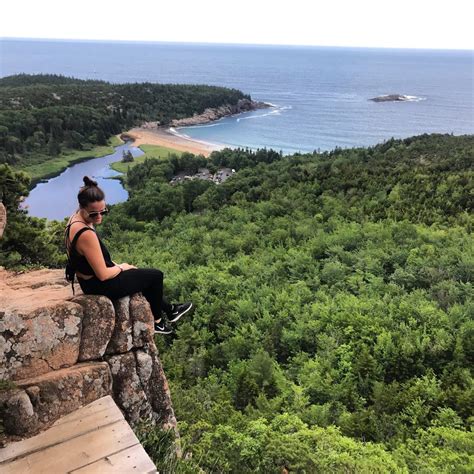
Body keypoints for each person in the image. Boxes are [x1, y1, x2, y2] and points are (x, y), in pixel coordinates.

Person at [64, 176, 192, 334]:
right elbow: (103, 275)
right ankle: (158, 321)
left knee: (140, 275)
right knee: (156, 276)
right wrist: (121, 267)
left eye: (103, 211)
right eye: (93, 214)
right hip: (99, 285)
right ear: (82, 208)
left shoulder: (75, 219)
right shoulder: (85, 234)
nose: (99, 217)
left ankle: (170, 310)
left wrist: (121, 268)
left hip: (89, 280)